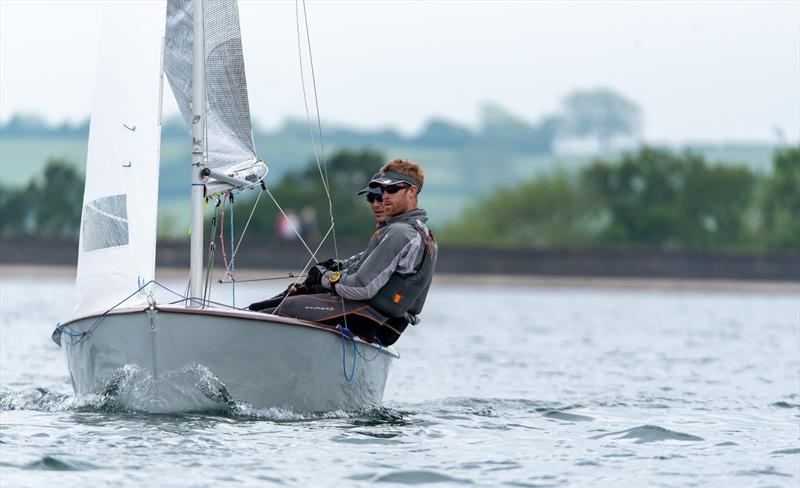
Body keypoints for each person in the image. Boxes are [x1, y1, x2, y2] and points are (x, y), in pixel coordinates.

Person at [249, 159, 437, 346]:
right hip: (384, 321)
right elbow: (362, 263)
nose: (384, 197)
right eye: (381, 191)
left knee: (288, 306)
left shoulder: (400, 232)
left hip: (370, 316)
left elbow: (362, 286)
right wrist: (333, 269)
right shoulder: (419, 232)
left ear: (412, 192)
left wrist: (325, 278)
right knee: (274, 304)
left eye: (392, 190)